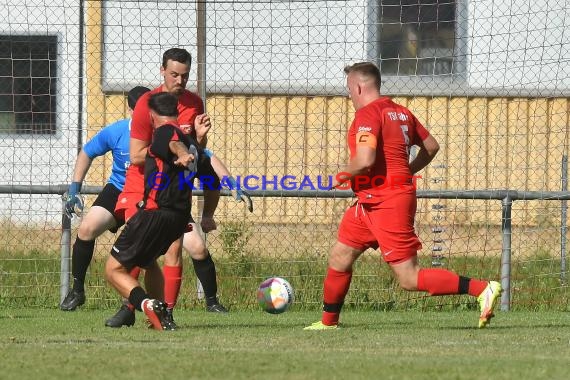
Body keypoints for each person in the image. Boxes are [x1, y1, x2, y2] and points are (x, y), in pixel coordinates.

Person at [304, 62, 502, 330]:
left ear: (359, 86)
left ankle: (482, 289)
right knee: (340, 256)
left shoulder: (367, 114)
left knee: (409, 278)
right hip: (369, 203)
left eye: (349, 88)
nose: (348, 94)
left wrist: (336, 178)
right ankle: (328, 323)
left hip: (387, 203)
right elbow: (431, 147)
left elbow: (364, 160)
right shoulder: (401, 112)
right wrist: (404, 171)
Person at [106, 47, 252, 329]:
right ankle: (132, 306)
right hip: (143, 187)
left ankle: (159, 311)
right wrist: (175, 150)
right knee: (144, 257)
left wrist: (197, 141)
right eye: (174, 74)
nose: (180, 80)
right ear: (162, 71)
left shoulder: (194, 103)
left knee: (165, 253)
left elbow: (196, 154)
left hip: (172, 195)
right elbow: (137, 154)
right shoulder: (148, 104)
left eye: (185, 76)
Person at [105, 91, 206, 331]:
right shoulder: (189, 138)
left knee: (112, 269)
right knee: (149, 262)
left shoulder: (164, 132)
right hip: (178, 216)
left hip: (155, 212)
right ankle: (164, 315)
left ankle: (146, 304)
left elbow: (173, 143)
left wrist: (182, 154)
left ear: (152, 115)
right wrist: (189, 152)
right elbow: (189, 152)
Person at [60, 86, 151, 311]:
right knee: (86, 229)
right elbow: (87, 152)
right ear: (131, 110)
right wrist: (74, 189)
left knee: (140, 243)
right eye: (141, 110)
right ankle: (77, 290)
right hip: (118, 189)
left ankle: (131, 301)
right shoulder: (117, 131)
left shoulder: (161, 133)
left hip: (146, 193)